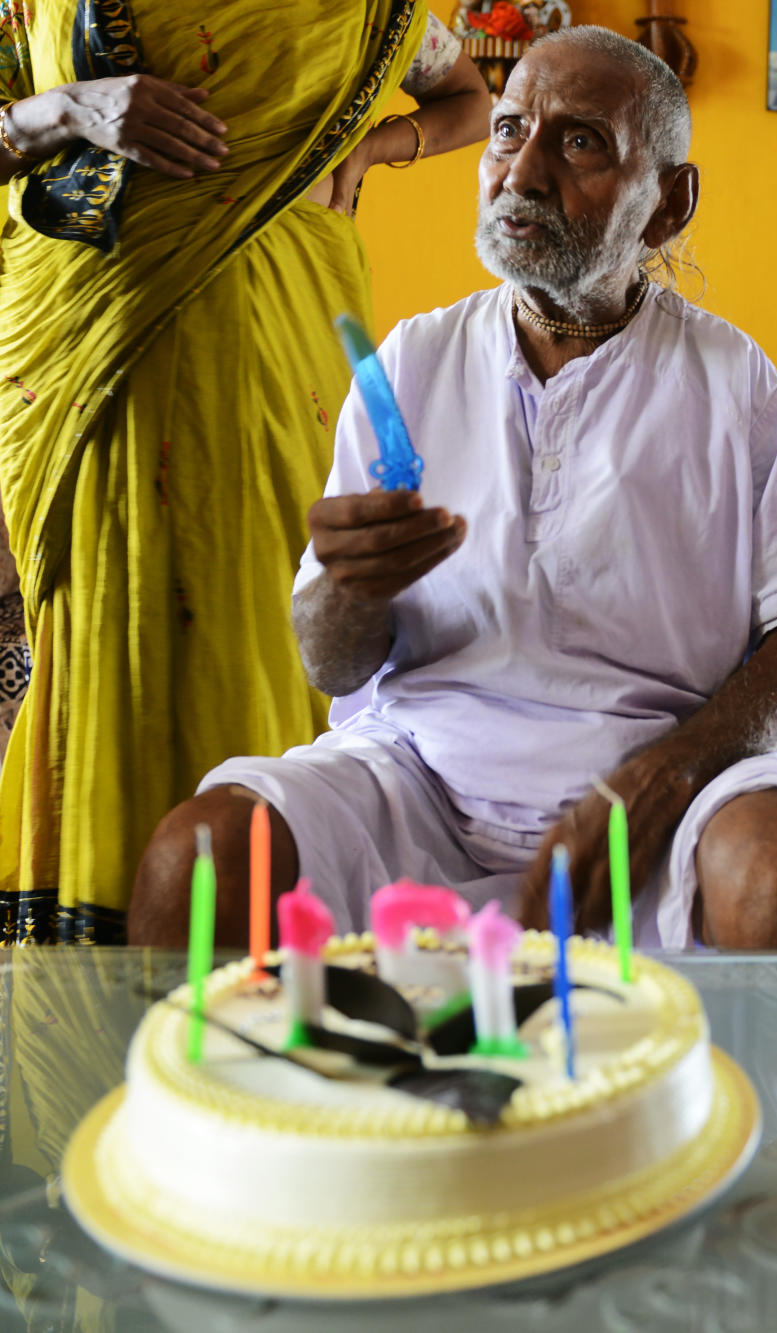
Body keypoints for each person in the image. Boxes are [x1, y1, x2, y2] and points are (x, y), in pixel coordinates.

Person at [128, 26, 777, 953]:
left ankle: (756, 1107)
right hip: (419, 782)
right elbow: (331, 664)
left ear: (668, 203)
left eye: (579, 141)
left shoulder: (734, 380)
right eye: (508, 129)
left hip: (662, 791)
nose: (522, 172)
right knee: (193, 861)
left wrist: (668, 775)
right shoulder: (411, 361)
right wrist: (349, 589)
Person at [0, 4, 490, 945]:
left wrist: (378, 147)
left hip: (279, 331)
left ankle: (275, 938)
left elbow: (466, 94)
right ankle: (103, 946)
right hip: (91, 339)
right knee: (115, 623)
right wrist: (73, 106)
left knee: (277, 614)